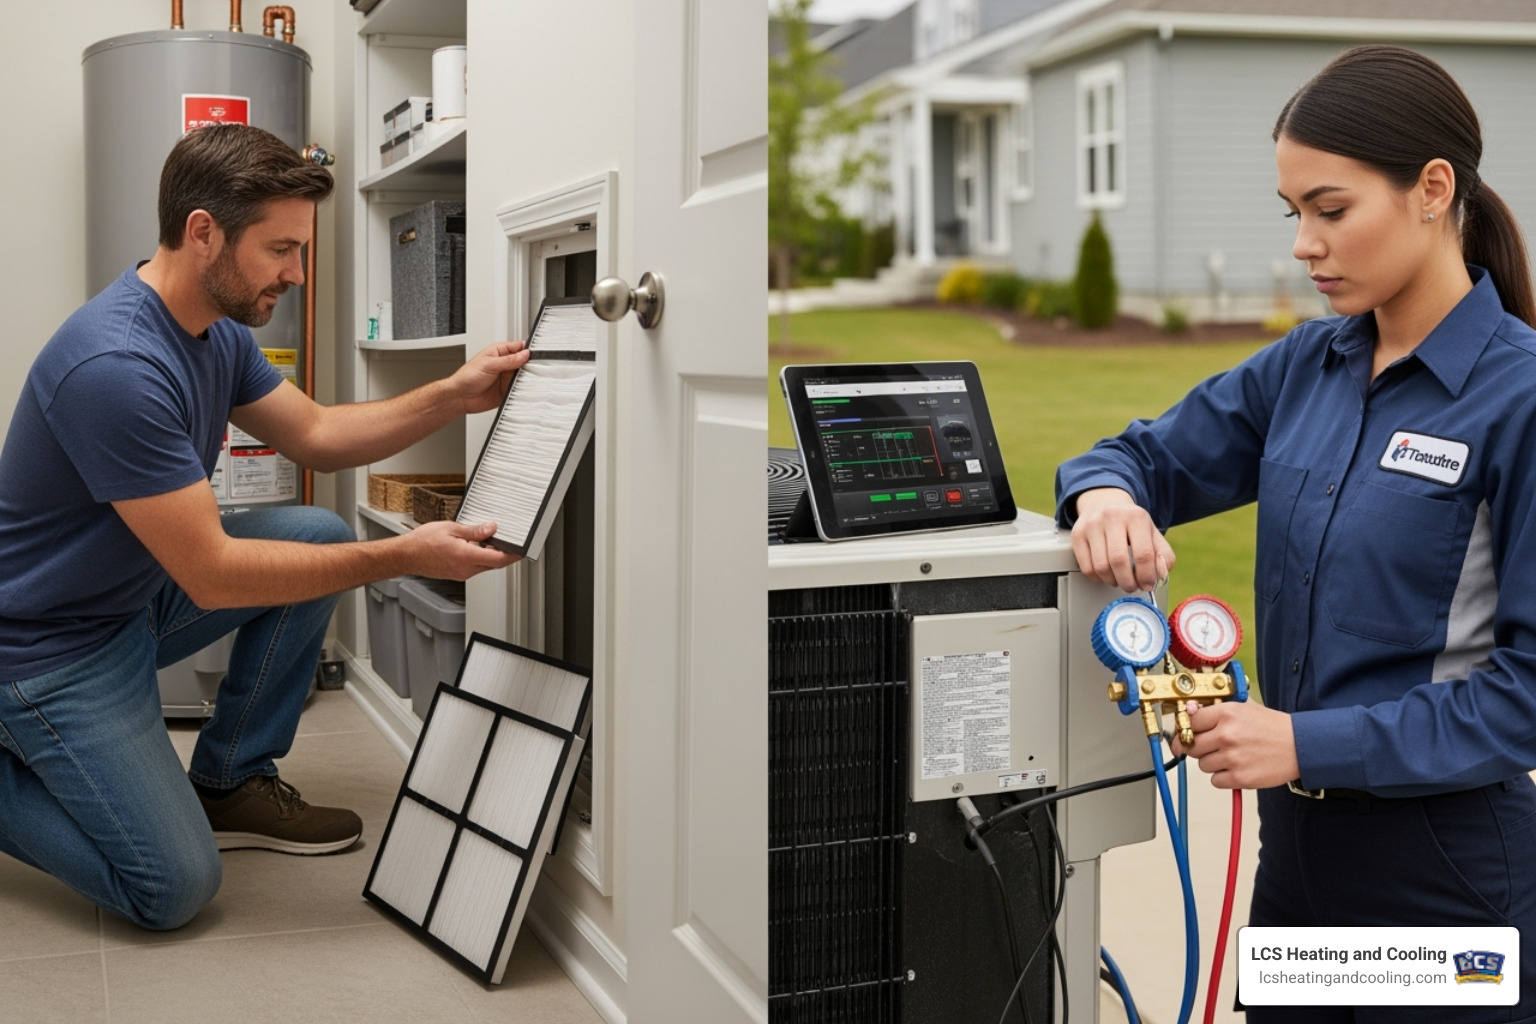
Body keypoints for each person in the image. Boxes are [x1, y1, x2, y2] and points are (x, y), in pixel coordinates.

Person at [1056, 45, 1536, 1022]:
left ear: (1432, 190)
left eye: (1332, 209)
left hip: (1444, 883)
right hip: (1297, 872)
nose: (1305, 245)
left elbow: (1526, 696)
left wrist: (1303, 742)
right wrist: (1106, 498)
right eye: (1294, 216)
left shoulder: (1518, 397)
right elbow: (1137, 455)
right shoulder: (1306, 365)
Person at [0, 123, 526, 931]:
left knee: (315, 532)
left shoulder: (216, 335)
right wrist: (399, 556)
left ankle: (232, 781)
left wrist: (452, 393)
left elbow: (316, 434)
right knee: (172, 889)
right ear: (204, 232)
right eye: (282, 249)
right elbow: (212, 575)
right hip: (47, 649)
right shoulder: (115, 367)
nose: (299, 274)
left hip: (128, 601)